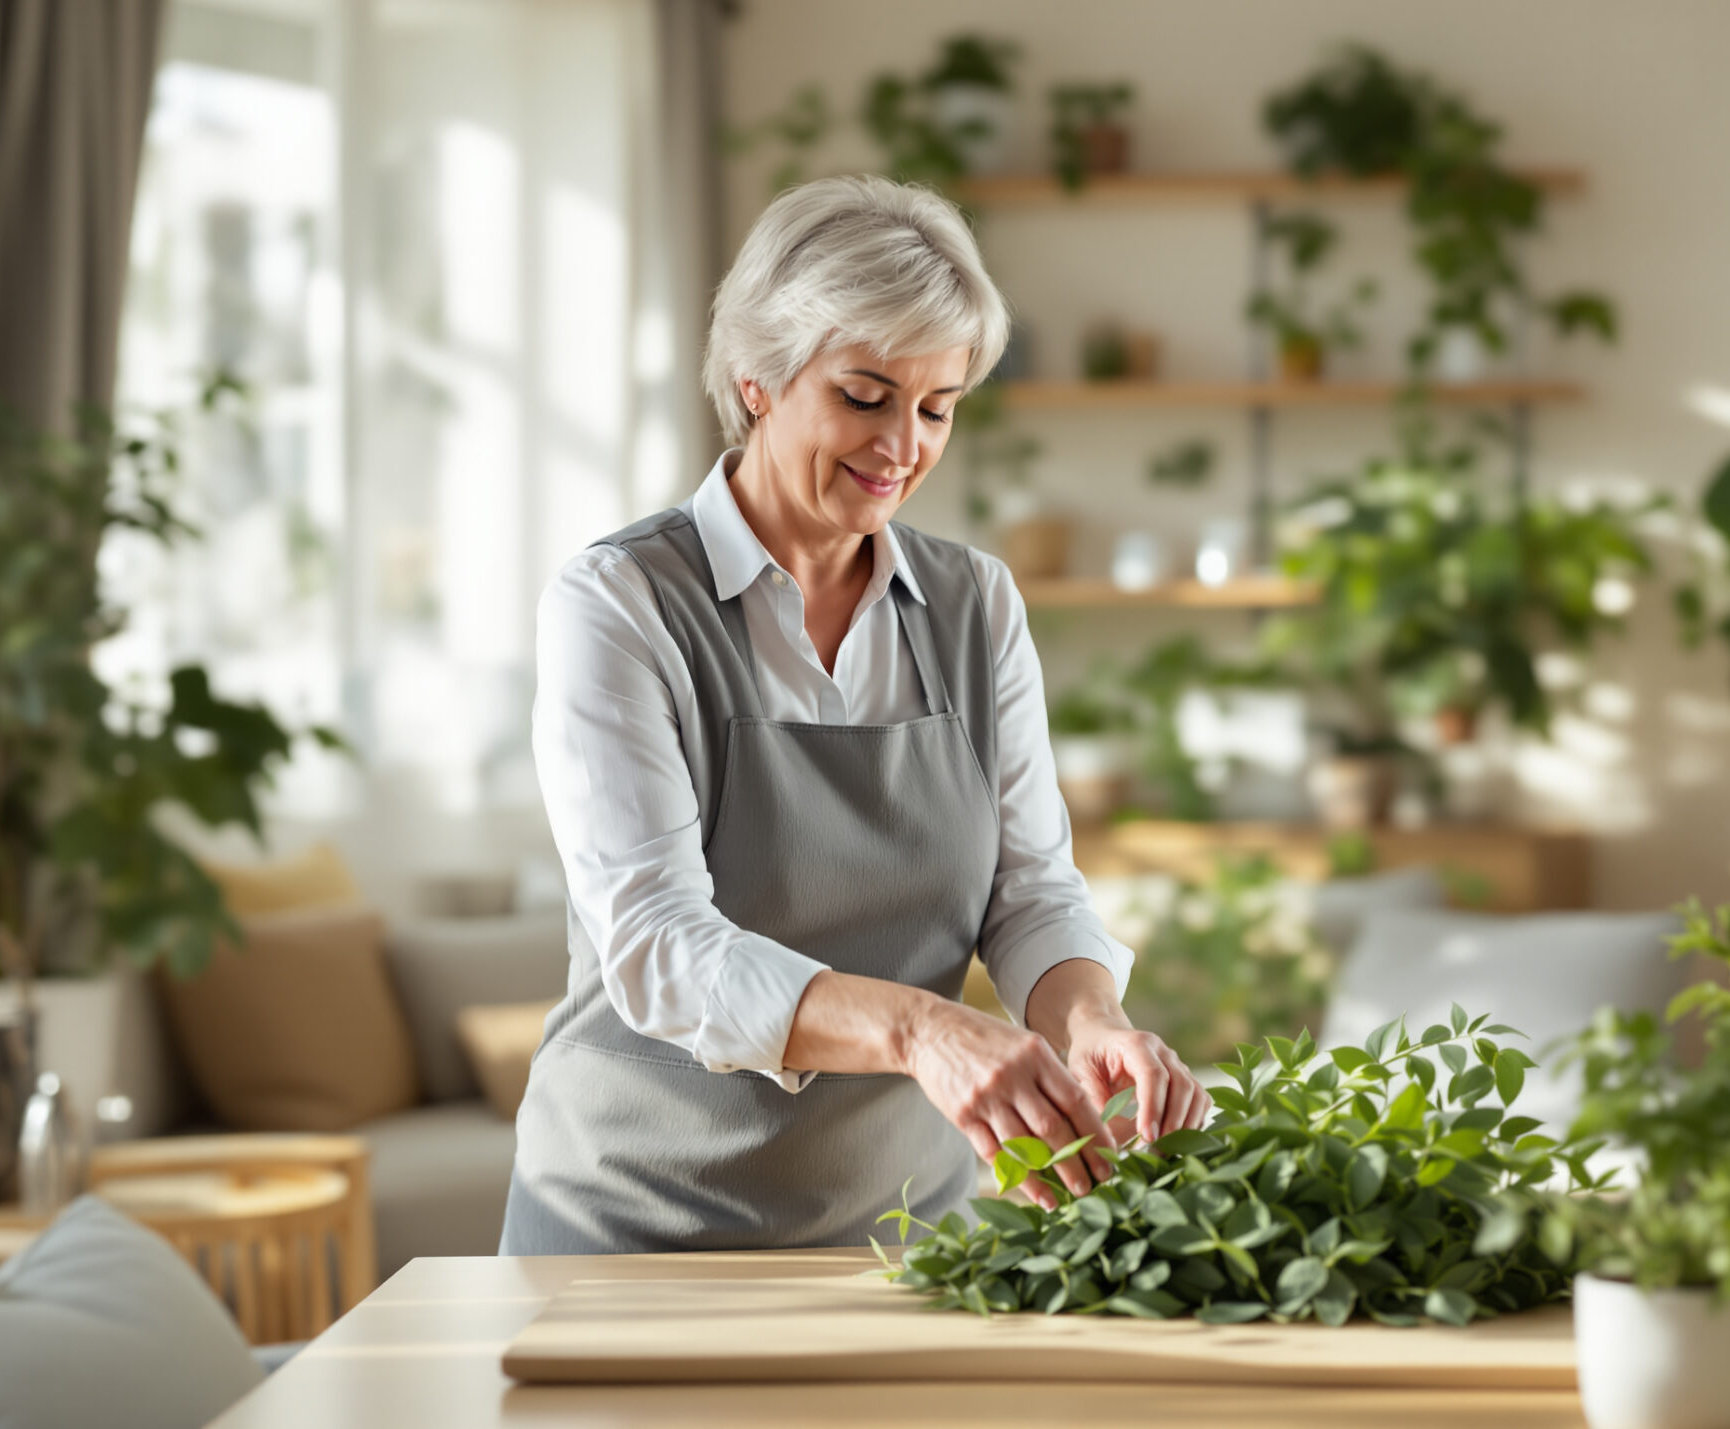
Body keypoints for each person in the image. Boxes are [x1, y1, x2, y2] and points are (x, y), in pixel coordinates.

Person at [502, 174, 1209, 1254]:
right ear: (756, 380)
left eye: (938, 407)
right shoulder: (621, 603)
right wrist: (924, 1029)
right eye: (865, 396)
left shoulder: (976, 606)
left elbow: (1029, 890)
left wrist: (1090, 1022)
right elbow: (656, 944)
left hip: (905, 1233)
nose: (904, 445)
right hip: (632, 1230)